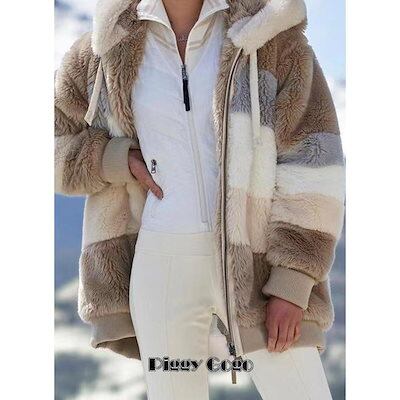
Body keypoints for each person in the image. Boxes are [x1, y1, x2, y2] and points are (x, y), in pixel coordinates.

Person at [55, 0, 345, 399]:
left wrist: (293, 280)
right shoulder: (104, 48)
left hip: (258, 266)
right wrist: (113, 159)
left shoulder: (270, 34)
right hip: (161, 265)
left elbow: (315, 161)